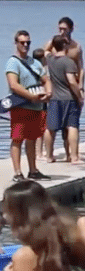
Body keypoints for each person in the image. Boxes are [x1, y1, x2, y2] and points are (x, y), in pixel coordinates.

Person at [5, 30, 51, 182]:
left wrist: (49, 93)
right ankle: (18, 173)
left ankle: (33, 170)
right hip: (21, 106)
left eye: (28, 43)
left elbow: (46, 79)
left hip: (37, 106)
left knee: (32, 138)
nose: (25, 45)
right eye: (22, 42)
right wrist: (30, 96)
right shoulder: (13, 62)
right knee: (17, 138)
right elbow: (13, 84)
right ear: (16, 43)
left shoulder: (35, 63)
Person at [44, 34, 83, 165]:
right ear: (65, 45)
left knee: (50, 128)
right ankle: (74, 157)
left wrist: (53, 41)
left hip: (54, 98)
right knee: (72, 126)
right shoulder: (68, 62)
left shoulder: (50, 59)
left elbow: (45, 50)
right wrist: (80, 96)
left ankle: (49, 156)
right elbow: (72, 82)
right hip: (69, 98)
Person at [44, 17, 84, 89]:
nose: (62, 32)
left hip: (72, 82)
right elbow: (41, 57)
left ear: (71, 30)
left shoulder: (76, 47)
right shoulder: (52, 44)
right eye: (60, 29)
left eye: (64, 29)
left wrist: (81, 86)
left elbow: (80, 68)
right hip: (56, 84)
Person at [31, 48, 48, 160]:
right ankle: (39, 152)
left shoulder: (30, 68)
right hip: (41, 99)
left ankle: (38, 151)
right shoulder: (41, 70)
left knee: (36, 127)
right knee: (41, 128)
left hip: (32, 99)